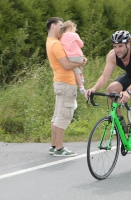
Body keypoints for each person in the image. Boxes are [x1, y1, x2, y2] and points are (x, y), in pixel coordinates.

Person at [85, 30, 131, 164]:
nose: (117, 50)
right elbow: (105, 77)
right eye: (115, 46)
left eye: (120, 46)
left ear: (129, 43)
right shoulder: (112, 56)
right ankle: (121, 121)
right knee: (111, 89)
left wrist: (128, 92)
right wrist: (93, 88)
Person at [46, 17, 86, 157]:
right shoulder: (56, 44)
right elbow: (67, 65)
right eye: (60, 25)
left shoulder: (50, 42)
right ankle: (59, 148)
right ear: (53, 26)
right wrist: (81, 63)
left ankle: (53, 145)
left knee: (57, 115)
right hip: (66, 83)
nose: (63, 28)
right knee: (64, 116)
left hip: (59, 82)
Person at [59, 20, 86, 94]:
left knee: (76, 71)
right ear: (71, 27)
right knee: (80, 65)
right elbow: (81, 44)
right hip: (78, 55)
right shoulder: (74, 35)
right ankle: (82, 77)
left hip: (69, 57)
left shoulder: (61, 37)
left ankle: (81, 86)